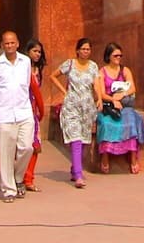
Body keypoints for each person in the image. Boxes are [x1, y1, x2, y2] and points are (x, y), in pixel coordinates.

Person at [0, 30, 34, 202]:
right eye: (6, 43)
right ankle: (8, 190)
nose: (10, 46)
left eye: (12, 42)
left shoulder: (26, 62)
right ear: (2, 45)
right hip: (5, 113)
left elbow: (27, 85)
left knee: (27, 147)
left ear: (18, 43)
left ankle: (18, 177)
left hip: (24, 111)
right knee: (6, 153)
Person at [0, 40, 47, 192]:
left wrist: (39, 112)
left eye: (39, 52)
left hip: (30, 112)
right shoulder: (22, 67)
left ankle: (26, 178)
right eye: (35, 51)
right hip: (17, 111)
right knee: (15, 148)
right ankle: (11, 175)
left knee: (32, 147)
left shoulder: (35, 69)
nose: (37, 54)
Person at [48, 38, 100, 188]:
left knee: (83, 140)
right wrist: (64, 91)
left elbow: (96, 84)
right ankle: (78, 174)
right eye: (83, 49)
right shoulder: (70, 64)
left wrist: (100, 98)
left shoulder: (93, 66)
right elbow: (53, 75)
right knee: (75, 139)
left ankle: (74, 168)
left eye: (88, 49)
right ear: (77, 50)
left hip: (87, 107)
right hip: (71, 106)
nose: (85, 52)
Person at [96, 43, 144, 174]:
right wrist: (113, 100)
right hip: (109, 105)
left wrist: (121, 95)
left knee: (130, 122)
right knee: (106, 123)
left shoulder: (125, 70)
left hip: (124, 104)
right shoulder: (102, 72)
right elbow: (101, 93)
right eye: (115, 55)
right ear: (108, 56)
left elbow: (132, 88)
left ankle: (133, 157)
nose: (118, 57)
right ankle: (105, 156)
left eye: (120, 55)